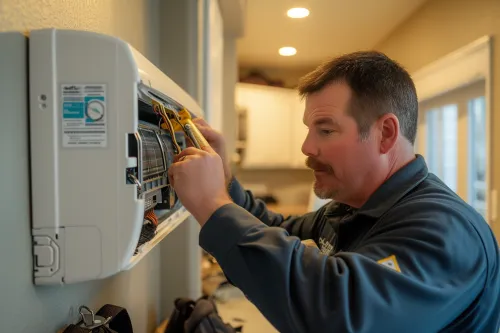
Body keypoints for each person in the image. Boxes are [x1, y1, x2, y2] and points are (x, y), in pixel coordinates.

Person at [168, 51, 500, 333]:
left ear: (385, 133)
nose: (307, 146)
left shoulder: (445, 232)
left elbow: (340, 312)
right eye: (309, 130)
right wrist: (224, 183)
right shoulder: (351, 206)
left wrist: (214, 205)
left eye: (325, 130)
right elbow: (278, 232)